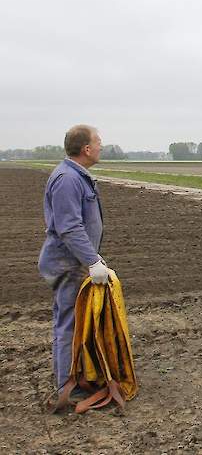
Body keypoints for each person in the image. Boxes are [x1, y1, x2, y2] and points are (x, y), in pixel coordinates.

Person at [38, 125, 113, 398]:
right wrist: (92, 262)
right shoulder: (68, 179)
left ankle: (76, 379)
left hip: (74, 262)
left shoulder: (76, 176)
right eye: (98, 141)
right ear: (86, 149)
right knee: (69, 324)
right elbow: (69, 227)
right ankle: (67, 387)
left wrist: (94, 259)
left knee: (74, 322)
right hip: (66, 264)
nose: (102, 145)